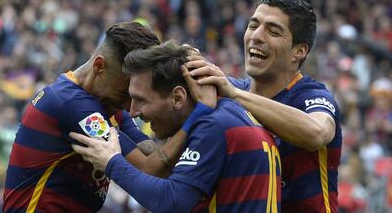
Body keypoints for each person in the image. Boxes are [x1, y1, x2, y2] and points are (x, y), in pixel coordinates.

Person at [69, 41, 281, 212]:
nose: (133, 111)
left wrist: (111, 162)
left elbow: (170, 202)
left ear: (178, 97)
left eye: (141, 100)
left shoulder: (214, 125)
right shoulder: (231, 111)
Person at [3, 22, 192, 212]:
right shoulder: (72, 105)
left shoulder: (107, 103)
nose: (130, 107)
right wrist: (198, 115)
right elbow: (150, 169)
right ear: (99, 66)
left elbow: (152, 155)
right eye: (125, 92)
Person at [185, 0, 342, 213]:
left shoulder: (311, 96)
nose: (256, 36)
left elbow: (316, 132)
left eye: (273, 31)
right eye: (253, 26)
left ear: (299, 51)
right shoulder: (226, 90)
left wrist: (234, 95)